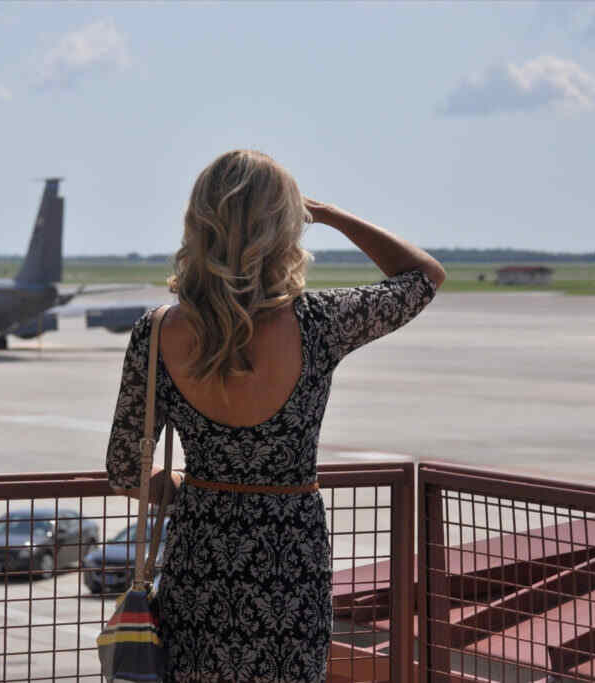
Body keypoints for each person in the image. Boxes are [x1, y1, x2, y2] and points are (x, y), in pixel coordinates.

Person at [106, 149, 445, 682]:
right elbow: (423, 276)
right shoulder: (320, 323)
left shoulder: (155, 332)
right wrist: (331, 214)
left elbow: (126, 471)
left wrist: (191, 482)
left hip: (201, 562)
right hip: (290, 563)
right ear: (287, 228)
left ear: (198, 223)